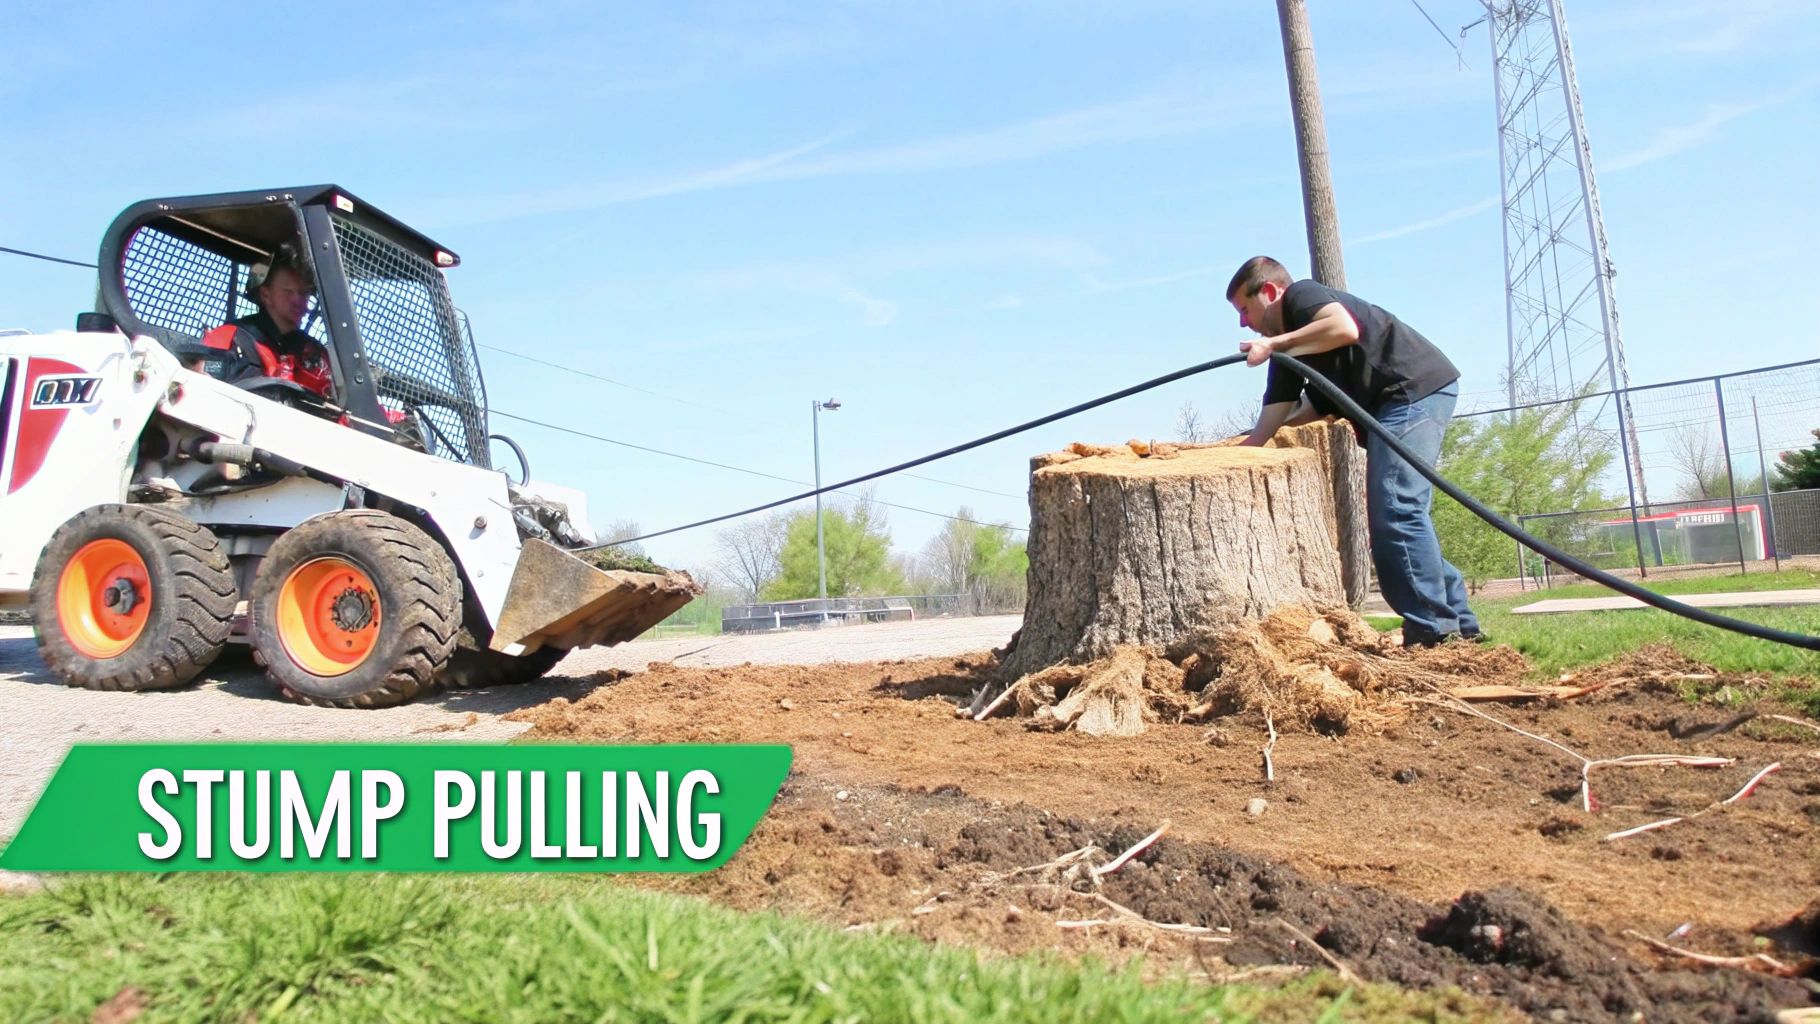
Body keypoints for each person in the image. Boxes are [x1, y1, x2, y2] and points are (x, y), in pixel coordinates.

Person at [1225, 255, 1481, 647]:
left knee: (1396, 509)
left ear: (1271, 292)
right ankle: (1459, 623)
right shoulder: (1294, 351)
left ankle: (1433, 632)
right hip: (1400, 401)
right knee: (1396, 514)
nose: (1244, 322)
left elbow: (1343, 327)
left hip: (1411, 392)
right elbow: (1286, 412)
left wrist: (1272, 344)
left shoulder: (1301, 298)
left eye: (1245, 308)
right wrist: (1241, 446)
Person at [193, 244, 334, 398]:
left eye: (303, 293)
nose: (298, 300)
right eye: (288, 291)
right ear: (266, 295)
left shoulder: (316, 355)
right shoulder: (229, 338)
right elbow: (201, 384)